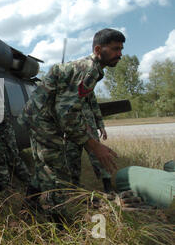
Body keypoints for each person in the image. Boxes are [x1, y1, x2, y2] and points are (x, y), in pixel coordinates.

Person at [18, 28, 125, 213]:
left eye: (121, 49)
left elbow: (69, 108)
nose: (120, 54)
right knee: (58, 172)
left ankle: (28, 208)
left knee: (45, 166)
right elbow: (66, 113)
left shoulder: (91, 69)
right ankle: (57, 224)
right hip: (43, 120)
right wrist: (94, 146)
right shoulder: (89, 70)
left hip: (38, 117)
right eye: (115, 49)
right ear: (99, 50)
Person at [65, 90, 113, 192]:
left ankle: (108, 186)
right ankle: (74, 188)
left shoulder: (85, 81)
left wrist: (100, 124)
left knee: (97, 155)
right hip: (71, 125)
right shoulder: (64, 82)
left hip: (89, 123)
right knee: (71, 158)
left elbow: (94, 104)